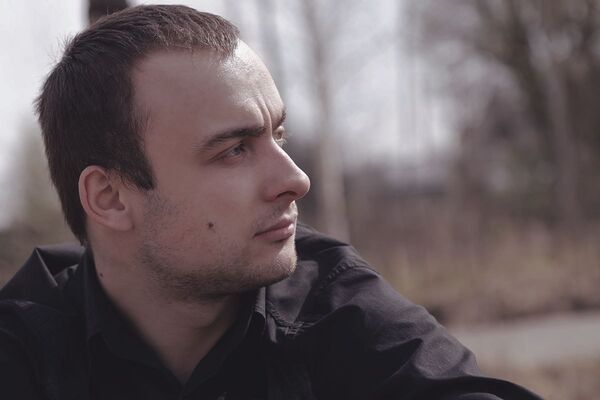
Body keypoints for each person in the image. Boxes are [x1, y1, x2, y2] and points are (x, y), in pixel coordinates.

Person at [0, 5, 542, 400]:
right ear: (110, 198)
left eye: (277, 136)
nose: (296, 180)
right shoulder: (22, 349)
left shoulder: (334, 304)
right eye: (233, 150)